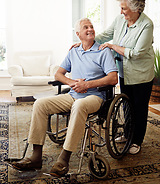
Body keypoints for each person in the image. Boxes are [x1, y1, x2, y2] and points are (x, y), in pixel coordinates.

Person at [12, 18, 118, 177]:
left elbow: (113, 78)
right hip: (72, 95)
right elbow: (58, 74)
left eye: (92, 27)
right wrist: (73, 82)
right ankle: (35, 157)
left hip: (94, 97)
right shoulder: (74, 51)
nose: (90, 29)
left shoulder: (103, 51)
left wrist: (87, 85)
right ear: (78, 34)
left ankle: (64, 159)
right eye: (85, 27)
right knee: (40, 104)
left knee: (79, 106)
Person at [72, 0, 154, 155]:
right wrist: (83, 41)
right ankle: (126, 134)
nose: (122, 11)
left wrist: (113, 46)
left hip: (141, 75)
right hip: (124, 72)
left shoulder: (146, 25)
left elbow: (137, 53)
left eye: (124, 8)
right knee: (126, 105)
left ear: (136, 8)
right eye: (121, 7)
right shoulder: (119, 20)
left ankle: (136, 141)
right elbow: (104, 35)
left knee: (139, 108)